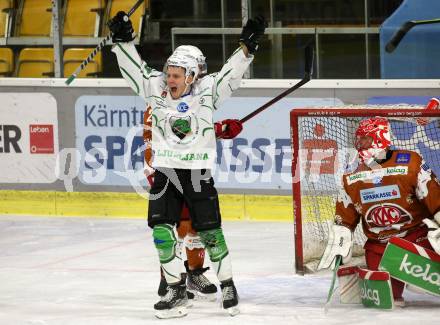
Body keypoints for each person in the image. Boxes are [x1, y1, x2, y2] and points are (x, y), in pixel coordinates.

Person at [108, 10, 266, 318]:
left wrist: (248, 45)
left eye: (177, 75)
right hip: (165, 171)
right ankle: (174, 289)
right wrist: (124, 41)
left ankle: (228, 284)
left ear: (192, 76)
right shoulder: (155, 89)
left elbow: (230, 73)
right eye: (169, 72)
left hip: (197, 172)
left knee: (209, 232)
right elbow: (135, 69)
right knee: (162, 234)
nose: (170, 79)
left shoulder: (208, 92)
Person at [317, 116, 440, 306]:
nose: (361, 145)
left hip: (415, 237)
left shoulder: (410, 162)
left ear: (382, 137)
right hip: (379, 246)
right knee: (387, 300)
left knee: (422, 284)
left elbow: (434, 198)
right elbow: (345, 214)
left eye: (366, 140)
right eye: (359, 140)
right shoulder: (351, 175)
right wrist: (341, 237)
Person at [143, 105, 243, 302]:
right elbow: (174, 134)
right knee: (177, 226)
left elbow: (191, 132)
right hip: (167, 169)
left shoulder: (194, 97)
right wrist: (217, 129)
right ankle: (170, 281)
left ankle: (194, 274)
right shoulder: (158, 101)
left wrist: (219, 130)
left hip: (191, 170)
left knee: (198, 226)